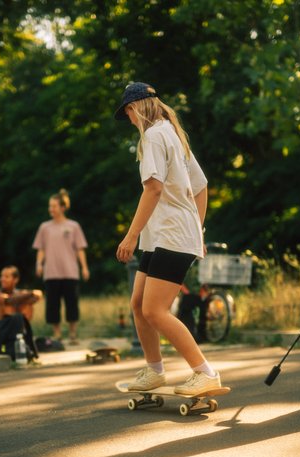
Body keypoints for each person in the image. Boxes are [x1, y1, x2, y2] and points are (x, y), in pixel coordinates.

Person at [114, 81, 223, 396]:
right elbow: (200, 187)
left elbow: (153, 188)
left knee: (155, 311)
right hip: (165, 236)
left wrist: (130, 236)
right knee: (138, 304)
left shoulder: (153, 136)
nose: (130, 120)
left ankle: (205, 373)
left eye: (129, 113)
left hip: (171, 236)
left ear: (138, 108)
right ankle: (155, 370)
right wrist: (196, 229)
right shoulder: (173, 135)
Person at [32, 189, 90, 344]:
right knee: (52, 304)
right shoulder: (45, 227)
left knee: (72, 303)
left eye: (54, 206)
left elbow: (80, 249)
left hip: (70, 271)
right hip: (51, 272)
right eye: (50, 206)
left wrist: (84, 267)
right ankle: (57, 334)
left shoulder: (73, 226)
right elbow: (41, 249)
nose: (51, 209)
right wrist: (39, 264)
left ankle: (72, 334)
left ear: (63, 207)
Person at [0, 266, 42, 360]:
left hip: (19, 330)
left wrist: (21, 298)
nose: (2, 279)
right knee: (11, 312)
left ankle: (21, 342)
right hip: (1, 330)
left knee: (25, 309)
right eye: (1, 276)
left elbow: (38, 295)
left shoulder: (20, 293)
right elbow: (7, 300)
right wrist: (27, 295)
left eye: (6, 277)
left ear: (15, 279)